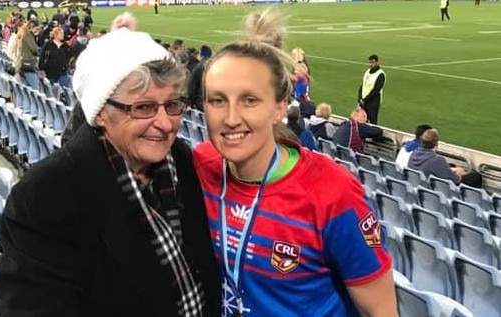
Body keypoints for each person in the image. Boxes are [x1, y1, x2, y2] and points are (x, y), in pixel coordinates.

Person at [0, 12, 221, 317]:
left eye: (173, 104)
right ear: (101, 113)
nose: (165, 123)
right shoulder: (43, 198)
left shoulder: (183, 160)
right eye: (144, 107)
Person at [193, 8, 397, 317]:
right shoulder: (199, 165)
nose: (231, 118)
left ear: (279, 108)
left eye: (250, 100)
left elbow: (380, 311)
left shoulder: (332, 191)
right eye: (217, 100)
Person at [408, 128, 482, 188]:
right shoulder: (436, 159)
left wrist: (453, 169)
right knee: (475, 177)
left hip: (418, 183)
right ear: (436, 142)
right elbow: (455, 180)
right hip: (432, 186)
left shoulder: (414, 152)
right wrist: (458, 173)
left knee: (451, 166)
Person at [357, 54, 385, 124]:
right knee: (362, 120)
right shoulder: (367, 72)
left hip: (373, 102)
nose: (370, 64)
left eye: (372, 62)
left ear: (377, 62)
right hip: (363, 101)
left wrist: (365, 99)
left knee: (372, 122)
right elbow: (362, 85)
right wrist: (360, 98)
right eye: (369, 62)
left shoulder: (381, 74)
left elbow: (376, 90)